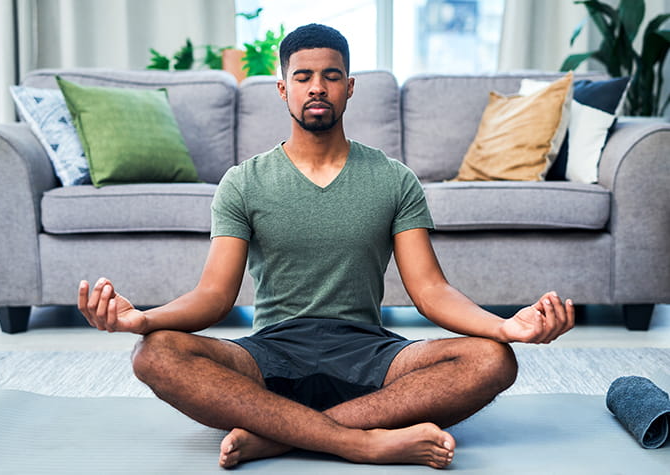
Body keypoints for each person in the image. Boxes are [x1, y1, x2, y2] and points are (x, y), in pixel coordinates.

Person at [78, 23, 575, 470]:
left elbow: (431, 290)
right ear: (282, 88)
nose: (317, 86)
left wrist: (505, 326)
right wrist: (144, 319)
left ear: (350, 87)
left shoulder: (393, 179)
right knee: (154, 355)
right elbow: (214, 295)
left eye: (332, 75)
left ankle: (279, 436)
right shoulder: (243, 183)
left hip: (369, 352)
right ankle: (360, 443)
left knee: (494, 360)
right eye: (303, 76)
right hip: (270, 352)